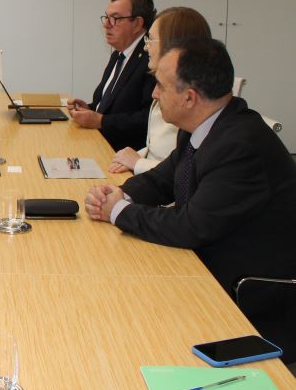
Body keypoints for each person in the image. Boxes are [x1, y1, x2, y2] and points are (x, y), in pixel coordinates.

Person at [85, 39, 296, 362]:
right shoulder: (202, 126)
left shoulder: (240, 145)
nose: (154, 94)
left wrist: (118, 212)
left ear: (189, 97)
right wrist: (121, 194)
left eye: (160, 86)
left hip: (248, 294)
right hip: (205, 266)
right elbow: (164, 178)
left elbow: (191, 227)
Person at [108, 7, 212, 174]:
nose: (145, 48)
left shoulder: (189, 99)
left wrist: (138, 163)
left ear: (174, 43)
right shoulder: (169, 85)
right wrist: (132, 158)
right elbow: (158, 150)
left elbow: (183, 172)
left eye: (150, 40)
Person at [68, 0, 156, 151]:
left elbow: (149, 118)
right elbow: (109, 107)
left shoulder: (150, 60)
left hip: (123, 152)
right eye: (106, 17)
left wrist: (101, 121)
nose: (106, 24)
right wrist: (89, 109)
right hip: (98, 142)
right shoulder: (118, 55)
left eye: (115, 18)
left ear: (137, 23)